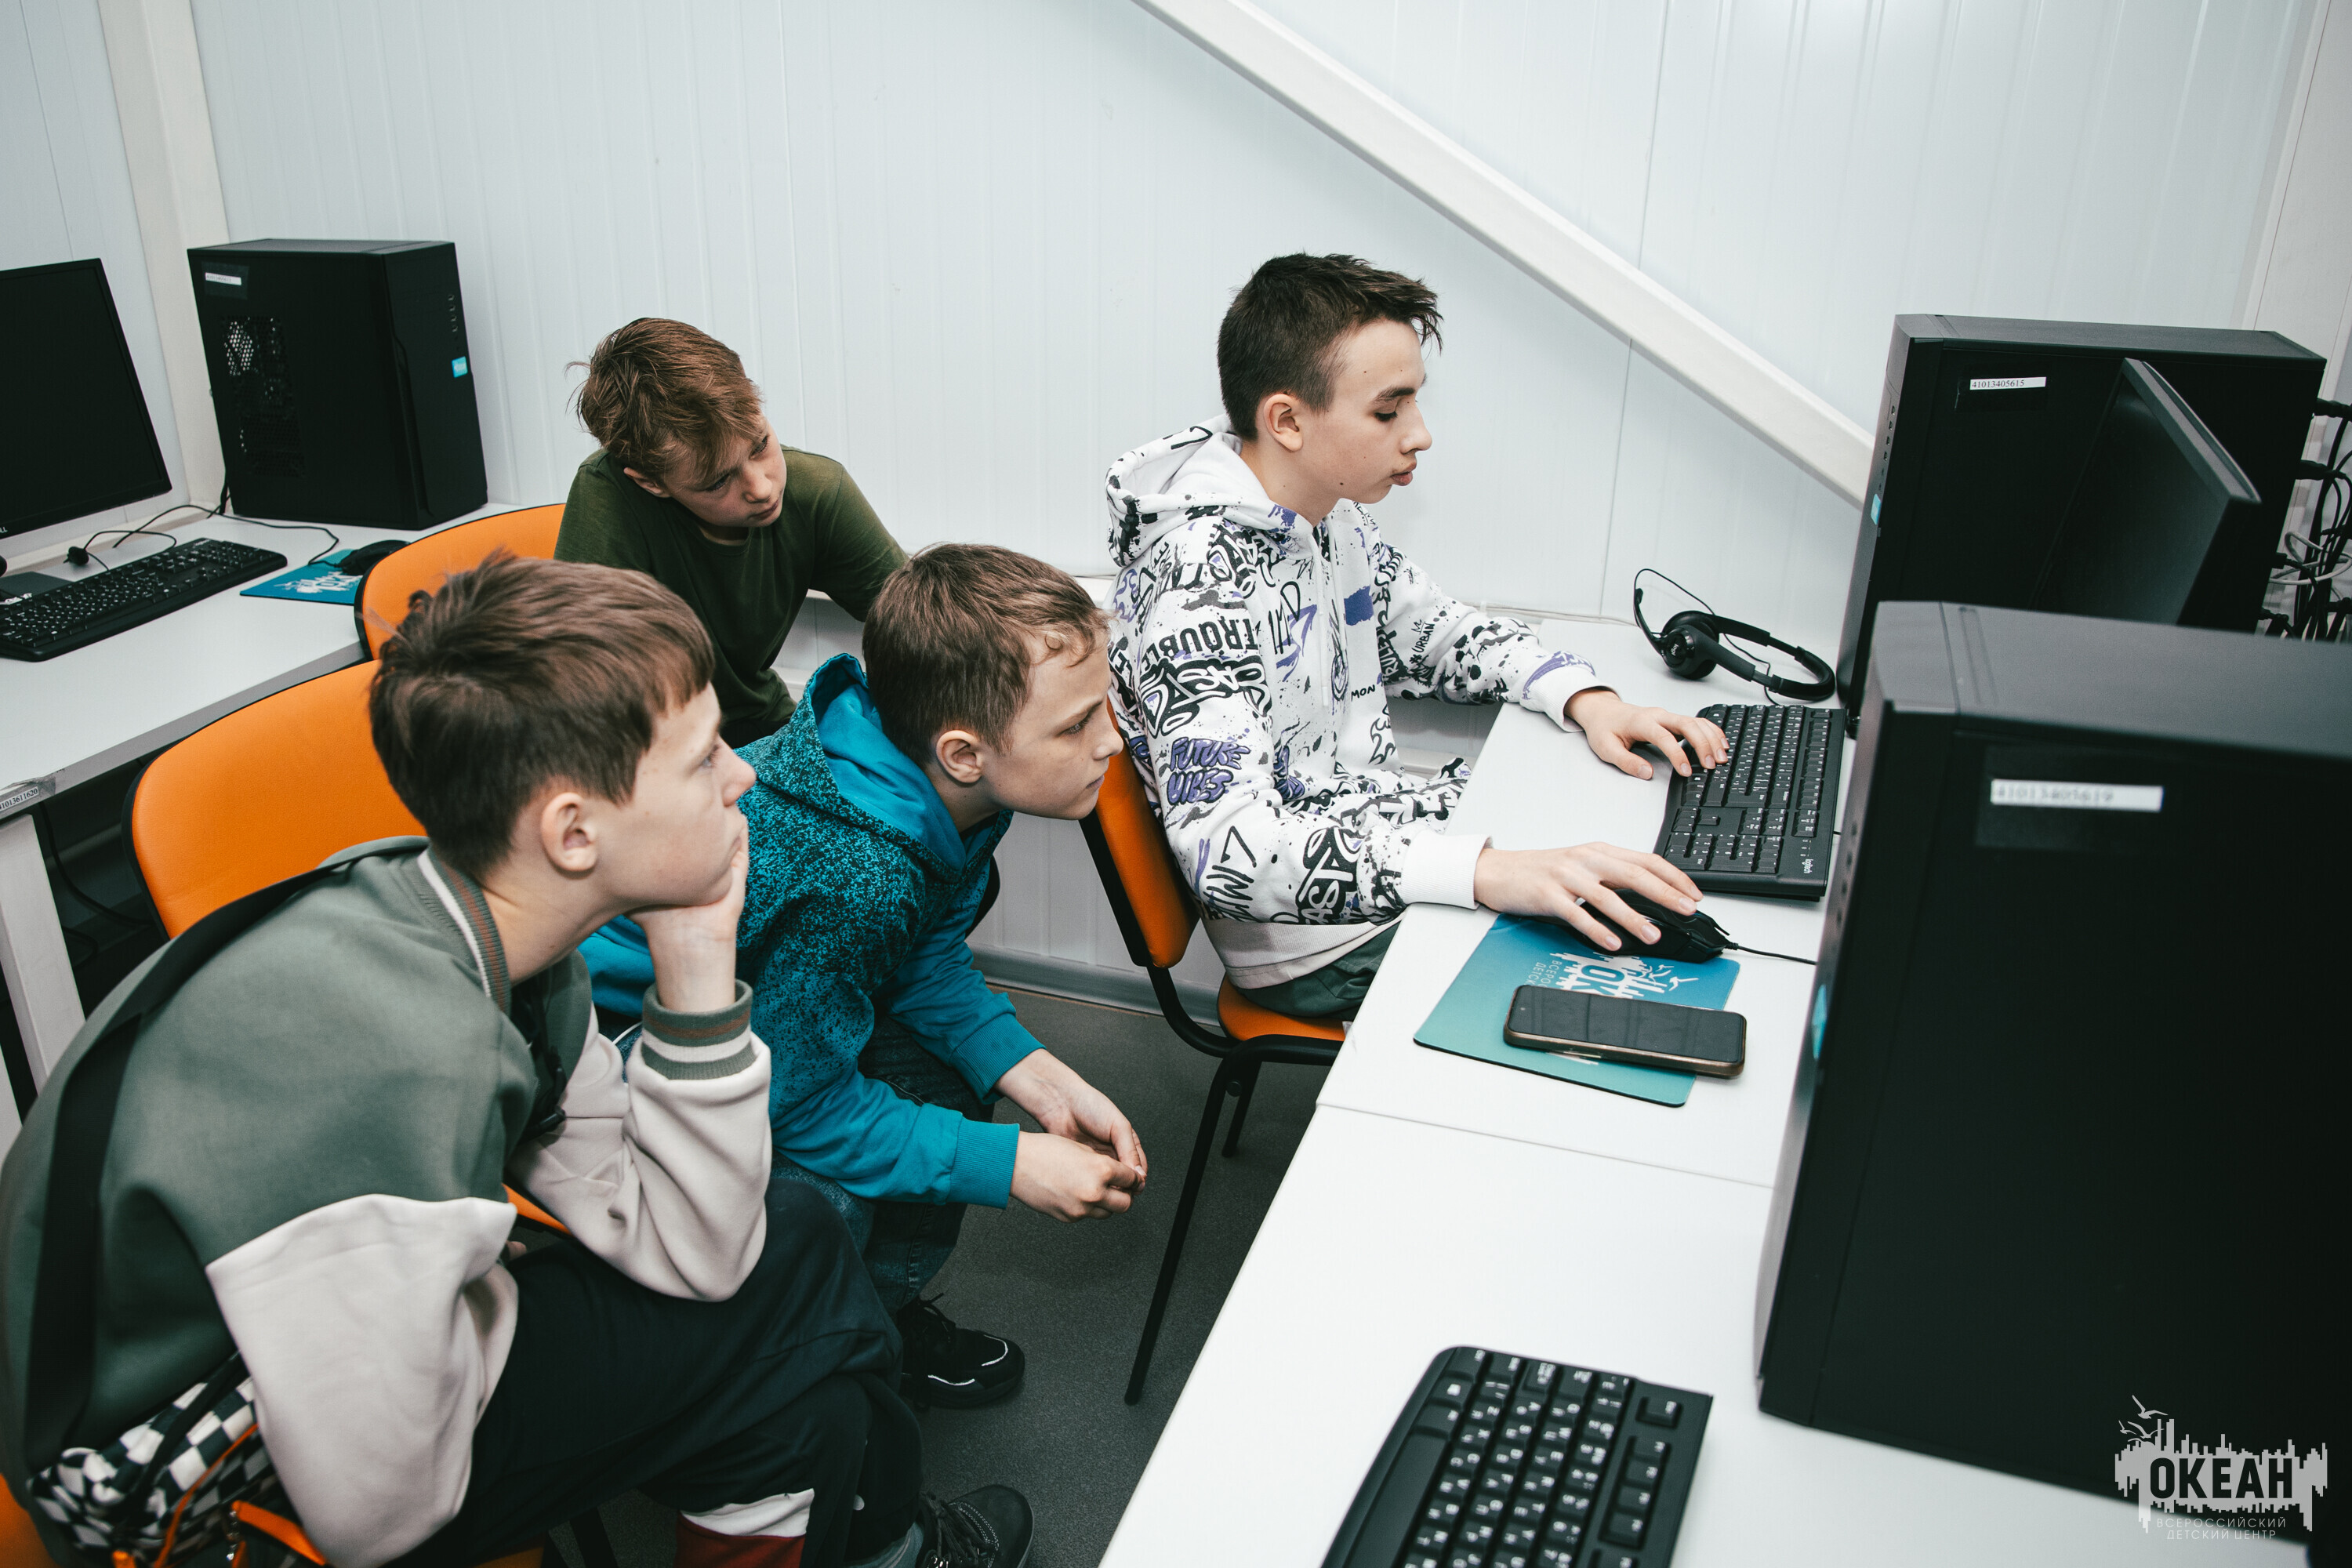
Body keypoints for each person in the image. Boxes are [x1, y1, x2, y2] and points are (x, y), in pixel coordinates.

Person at [0, 556, 1027, 1568]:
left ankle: (883, 1537)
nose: (744, 775)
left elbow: (696, 1248)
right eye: (702, 758)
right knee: (801, 1345)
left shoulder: (507, 946)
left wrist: (697, 959)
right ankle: (892, 1537)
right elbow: (378, 1510)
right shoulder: (402, 1059)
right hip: (192, 1481)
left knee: (796, 1268)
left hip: (356, 1360)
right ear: (574, 833)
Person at [1104, 253, 1732, 1020]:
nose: (1421, 435)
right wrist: (1485, 872)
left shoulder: (1325, 515)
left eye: (1415, 404)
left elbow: (1439, 632)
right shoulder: (1195, 584)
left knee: (1646, 866)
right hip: (1320, 943)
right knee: (1662, 976)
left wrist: (1588, 699)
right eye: (1388, 411)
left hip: (1388, 842)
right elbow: (1230, 851)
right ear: (1287, 421)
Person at [733, 544, 1149, 1409]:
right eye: (1075, 726)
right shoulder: (855, 871)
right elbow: (797, 1106)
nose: (1112, 740)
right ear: (963, 752)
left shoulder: (952, 787)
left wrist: (1035, 1072)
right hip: (626, 1052)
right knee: (826, 1203)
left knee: (950, 1079)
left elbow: (918, 954)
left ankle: (873, 1324)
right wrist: (1010, 1164)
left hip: (779, 1009)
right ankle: (806, 1375)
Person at [557, 317, 907, 748]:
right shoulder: (607, 497)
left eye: (760, 445)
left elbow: (925, 624)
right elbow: (582, 691)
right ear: (651, 482)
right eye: (718, 482)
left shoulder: (818, 491)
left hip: (762, 728)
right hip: (658, 745)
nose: (762, 488)